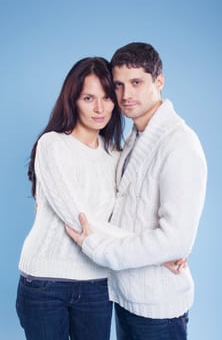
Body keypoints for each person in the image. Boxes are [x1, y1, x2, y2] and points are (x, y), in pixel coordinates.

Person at [65, 42, 208, 340]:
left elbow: (176, 239)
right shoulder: (136, 137)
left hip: (157, 307)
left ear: (159, 81)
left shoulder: (179, 144)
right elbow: (118, 211)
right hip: (127, 296)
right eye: (118, 85)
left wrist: (100, 249)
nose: (126, 95)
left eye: (137, 83)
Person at [16, 57, 126, 340]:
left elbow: (129, 214)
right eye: (89, 98)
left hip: (97, 283)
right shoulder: (53, 145)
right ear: (73, 99)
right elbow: (78, 218)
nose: (99, 108)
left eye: (107, 98)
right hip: (45, 283)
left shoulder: (116, 154)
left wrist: (165, 247)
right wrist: (148, 248)